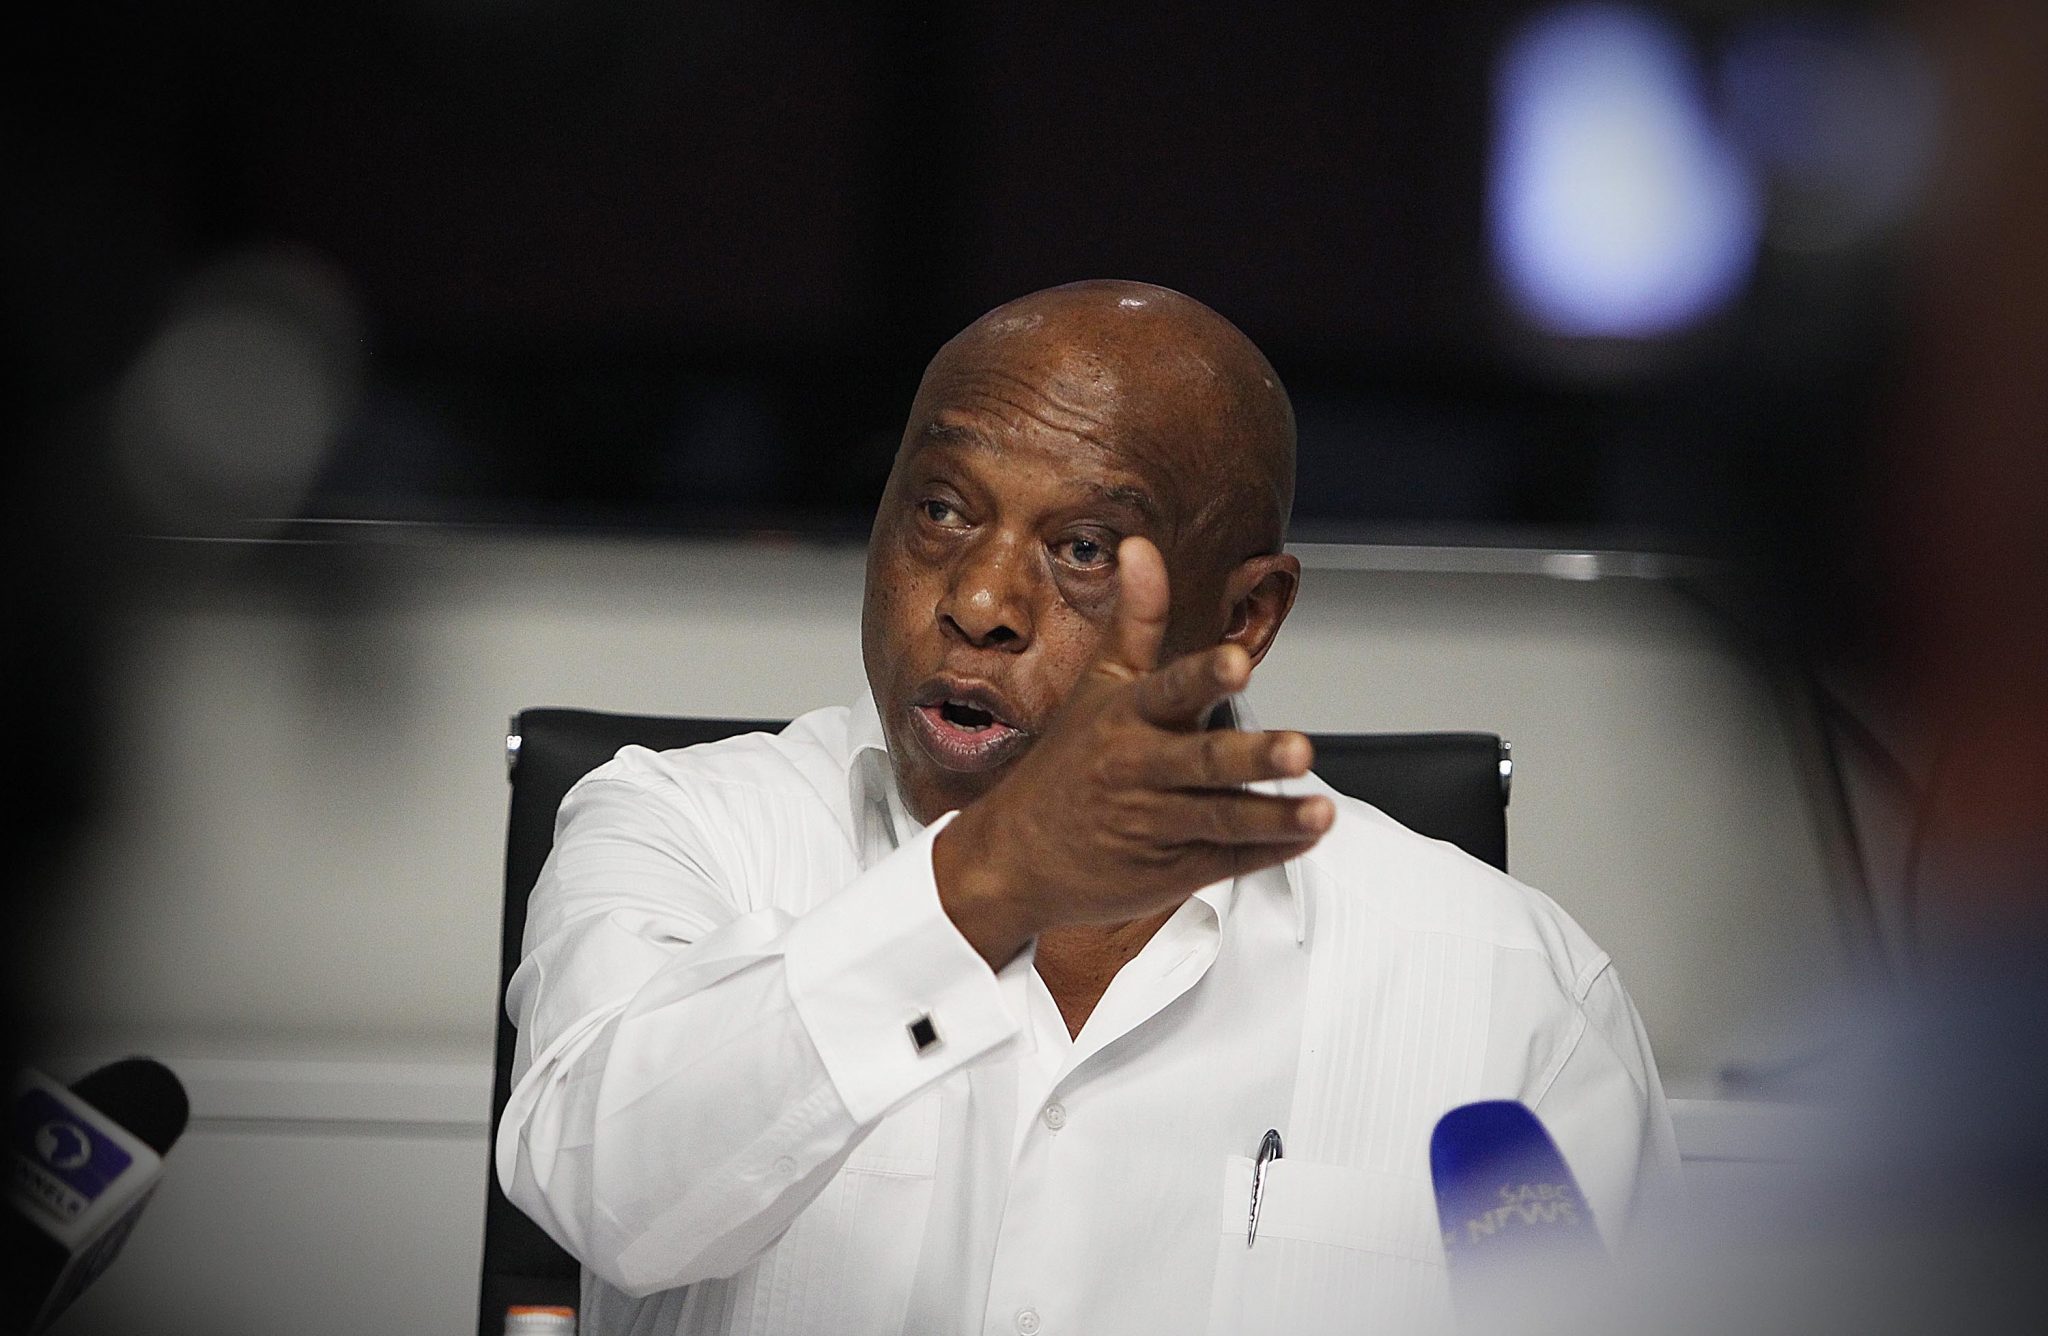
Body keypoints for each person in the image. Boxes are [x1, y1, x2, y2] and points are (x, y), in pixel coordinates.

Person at [497, 280, 1682, 1335]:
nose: (978, 600)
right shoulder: (677, 830)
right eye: (941, 510)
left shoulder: (1507, 991)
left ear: (1246, 616)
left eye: (1079, 547)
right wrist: (982, 886)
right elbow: (608, 1194)